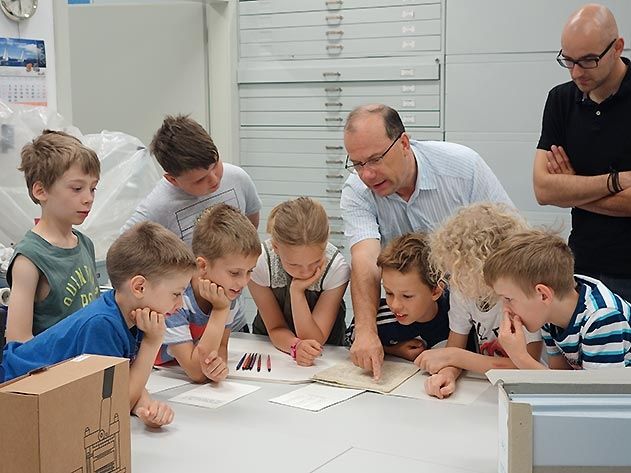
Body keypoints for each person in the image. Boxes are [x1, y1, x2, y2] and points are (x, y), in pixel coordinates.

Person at [341, 103, 513, 379]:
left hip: (476, 313)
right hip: (423, 317)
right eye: (358, 164)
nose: (367, 175)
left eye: (375, 159)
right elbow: (364, 260)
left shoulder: (463, 168)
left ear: (404, 143)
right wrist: (366, 331)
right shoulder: (357, 191)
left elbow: (510, 243)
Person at [2, 221, 197, 427]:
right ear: (139, 287)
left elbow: (123, 379)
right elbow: (112, 404)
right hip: (13, 394)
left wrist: (145, 406)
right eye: (176, 293)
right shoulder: (102, 325)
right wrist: (152, 343)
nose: (181, 303)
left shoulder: (134, 313)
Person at [121, 114, 262, 332]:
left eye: (215, 166)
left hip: (233, 320)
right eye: (200, 179)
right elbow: (123, 255)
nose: (214, 179)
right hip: (184, 326)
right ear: (172, 179)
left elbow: (250, 226)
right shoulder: (158, 206)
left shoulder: (238, 178)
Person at [533, 4, 631, 301]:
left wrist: (573, 187)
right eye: (568, 60)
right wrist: (615, 182)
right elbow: (543, 190)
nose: (577, 72)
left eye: (588, 61)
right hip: (581, 265)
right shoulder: (560, 99)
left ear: (617, 48)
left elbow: (558, 193)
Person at [416, 203, 543, 398]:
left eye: (462, 269)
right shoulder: (464, 288)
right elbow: (455, 345)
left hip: (527, 391)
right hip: (487, 389)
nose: (455, 278)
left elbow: (526, 363)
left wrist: (455, 357)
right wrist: (448, 372)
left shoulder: (519, 297)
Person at [484, 229, 631, 369]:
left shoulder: (602, 318)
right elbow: (560, 377)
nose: (505, 309)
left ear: (543, 294)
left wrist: (520, 357)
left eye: (508, 299)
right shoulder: (549, 314)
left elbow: (599, 392)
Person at [6, 131, 100, 342]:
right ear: (40, 191)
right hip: (58, 371)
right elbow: (18, 340)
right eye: (77, 188)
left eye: (93, 189)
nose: (88, 199)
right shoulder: (29, 259)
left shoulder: (85, 244)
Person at [156, 204, 261, 382]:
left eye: (250, 271)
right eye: (235, 273)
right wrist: (220, 310)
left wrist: (217, 369)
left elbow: (220, 348)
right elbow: (197, 372)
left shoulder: (227, 291)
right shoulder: (175, 297)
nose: (243, 282)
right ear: (202, 266)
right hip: (153, 376)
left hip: (175, 371)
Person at [249, 197, 349, 367]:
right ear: (276, 247)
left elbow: (313, 339)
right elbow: (275, 328)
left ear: (325, 246)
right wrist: (296, 346)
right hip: (273, 351)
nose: (305, 272)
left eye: (315, 262)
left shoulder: (336, 268)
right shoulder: (259, 264)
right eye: (293, 264)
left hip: (326, 354)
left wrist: (297, 292)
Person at [348, 233, 464, 361]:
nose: (395, 305)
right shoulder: (383, 320)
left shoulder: (458, 312)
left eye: (407, 296)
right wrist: (393, 350)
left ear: (436, 291)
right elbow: (351, 338)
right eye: (389, 293)